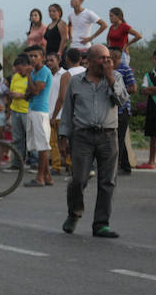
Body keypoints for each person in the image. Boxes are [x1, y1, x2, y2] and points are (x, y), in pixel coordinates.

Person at [58, 44, 129, 237]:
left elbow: (122, 101)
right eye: (101, 58)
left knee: (108, 181)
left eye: (108, 58)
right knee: (78, 180)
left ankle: (101, 224)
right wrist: (63, 136)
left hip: (108, 135)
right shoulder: (76, 81)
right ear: (88, 61)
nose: (106, 61)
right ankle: (74, 213)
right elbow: (68, 110)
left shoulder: (116, 77)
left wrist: (110, 78)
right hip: (82, 136)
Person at [51, 48, 86, 174]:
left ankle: (61, 166)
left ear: (66, 59)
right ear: (80, 59)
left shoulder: (67, 75)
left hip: (69, 113)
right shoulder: (87, 72)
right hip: (85, 113)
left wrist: (54, 116)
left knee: (60, 142)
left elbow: (62, 98)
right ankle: (75, 166)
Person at [23, 45, 54, 187]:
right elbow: (27, 93)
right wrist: (30, 81)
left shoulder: (43, 71)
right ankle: (47, 176)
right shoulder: (35, 72)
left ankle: (40, 177)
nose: (32, 59)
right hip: (33, 109)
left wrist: (29, 76)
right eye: (30, 56)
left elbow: (35, 91)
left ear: (42, 57)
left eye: (35, 56)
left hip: (40, 111)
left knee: (42, 146)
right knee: (40, 145)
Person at [108, 46, 137, 175]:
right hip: (111, 109)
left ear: (116, 56)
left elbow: (133, 88)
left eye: (109, 55)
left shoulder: (125, 69)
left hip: (122, 109)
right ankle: (125, 166)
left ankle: (115, 167)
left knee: (118, 139)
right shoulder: (108, 69)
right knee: (117, 138)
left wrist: (119, 91)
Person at [138, 49, 156, 169]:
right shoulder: (148, 75)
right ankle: (151, 161)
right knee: (153, 137)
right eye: (155, 58)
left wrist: (151, 89)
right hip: (152, 109)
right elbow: (143, 90)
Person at [7, 54, 32, 170]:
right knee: (17, 139)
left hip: (27, 110)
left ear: (26, 66)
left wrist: (21, 95)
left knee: (29, 137)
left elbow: (33, 92)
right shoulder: (15, 77)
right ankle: (17, 163)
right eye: (17, 70)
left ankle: (33, 162)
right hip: (15, 110)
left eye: (20, 69)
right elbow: (11, 92)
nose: (18, 72)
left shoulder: (31, 76)